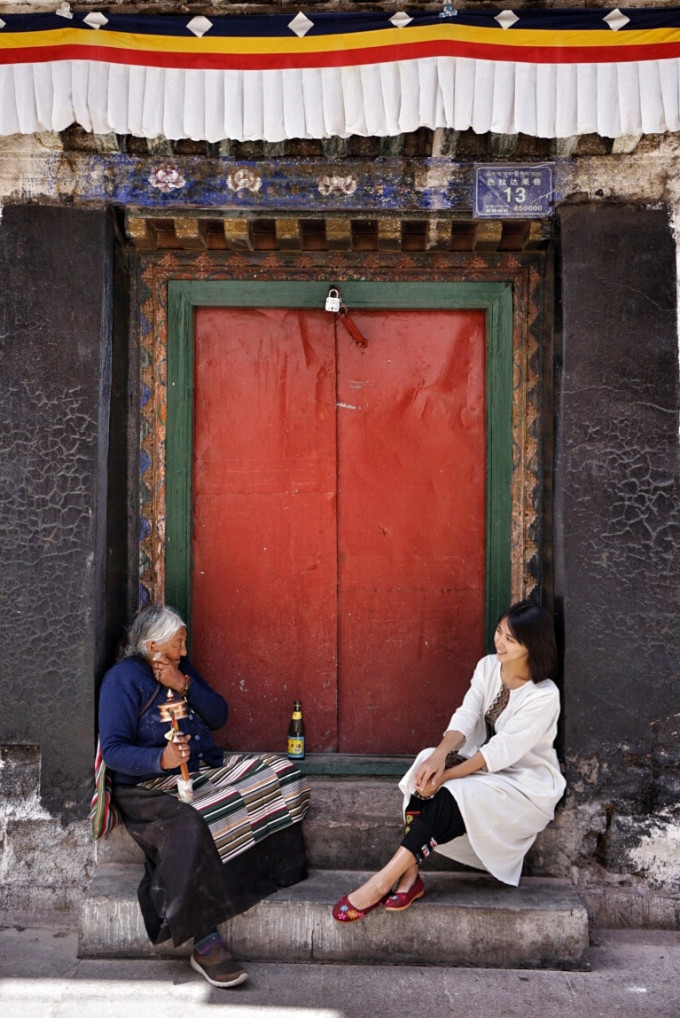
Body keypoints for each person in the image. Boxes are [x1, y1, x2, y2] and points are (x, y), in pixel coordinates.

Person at [98, 604, 310, 986]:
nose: (183, 651)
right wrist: (161, 759)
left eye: (184, 644)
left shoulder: (181, 669)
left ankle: (272, 872)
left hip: (201, 770)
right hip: (147, 786)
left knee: (282, 772)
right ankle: (204, 940)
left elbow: (219, 716)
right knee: (193, 821)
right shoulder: (122, 680)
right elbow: (113, 751)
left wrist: (184, 685)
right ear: (152, 646)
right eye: (177, 644)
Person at [331, 599, 565, 922]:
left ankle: (382, 881)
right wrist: (439, 758)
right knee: (424, 763)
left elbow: (501, 751)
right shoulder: (488, 667)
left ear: (531, 646)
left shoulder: (544, 695)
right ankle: (409, 875)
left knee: (454, 791)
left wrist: (447, 776)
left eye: (510, 639)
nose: (499, 642)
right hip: (483, 770)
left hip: (522, 785)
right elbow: (467, 715)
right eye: (499, 632)